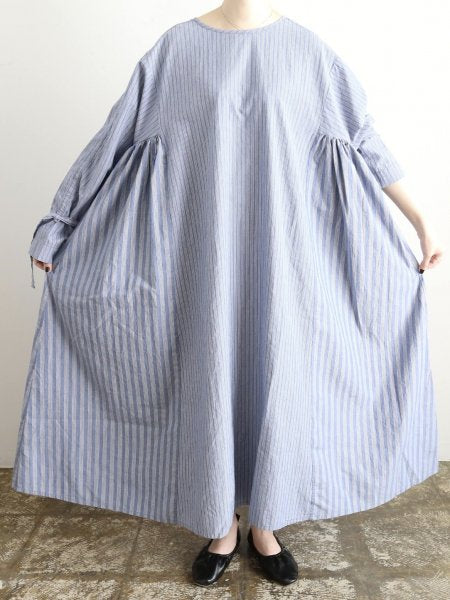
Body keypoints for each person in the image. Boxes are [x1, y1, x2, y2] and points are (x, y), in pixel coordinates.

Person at [14, 0, 443, 589]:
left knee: (276, 379)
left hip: (283, 262)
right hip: (198, 260)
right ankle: (221, 525)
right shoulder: (175, 50)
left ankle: (265, 524)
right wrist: (60, 223)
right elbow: (114, 139)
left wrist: (420, 221)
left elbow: (362, 138)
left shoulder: (308, 52)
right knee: (210, 380)